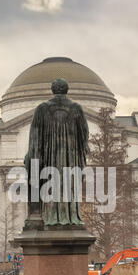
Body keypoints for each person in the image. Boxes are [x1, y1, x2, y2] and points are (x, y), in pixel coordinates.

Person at [25, 78, 89, 226]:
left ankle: (49, 215)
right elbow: (84, 136)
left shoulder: (42, 109)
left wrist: (33, 158)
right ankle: (70, 216)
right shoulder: (76, 108)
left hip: (49, 159)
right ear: (67, 90)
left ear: (53, 90)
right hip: (70, 159)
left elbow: (34, 137)